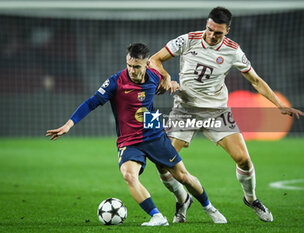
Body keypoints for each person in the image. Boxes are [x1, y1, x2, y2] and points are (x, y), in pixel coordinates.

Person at [149, 7, 304, 223]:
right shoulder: (187, 40)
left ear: (227, 31)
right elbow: (154, 60)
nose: (212, 35)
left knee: (243, 159)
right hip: (185, 109)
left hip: (216, 111)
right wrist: (166, 77)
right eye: (210, 29)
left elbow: (256, 81)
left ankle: (251, 199)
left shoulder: (233, 51)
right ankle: (182, 199)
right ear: (207, 24)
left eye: (218, 33)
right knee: (164, 163)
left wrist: (279, 105)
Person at [46, 43, 227, 226]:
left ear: (147, 64)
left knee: (183, 176)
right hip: (129, 140)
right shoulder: (115, 82)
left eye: (137, 66)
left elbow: (164, 76)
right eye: (129, 66)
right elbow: (91, 102)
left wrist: (169, 80)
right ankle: (157, 216)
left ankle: (209, 207)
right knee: (129, 175)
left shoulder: (154, 76)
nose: (132, 70)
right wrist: (69, 124)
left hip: (155, 135)